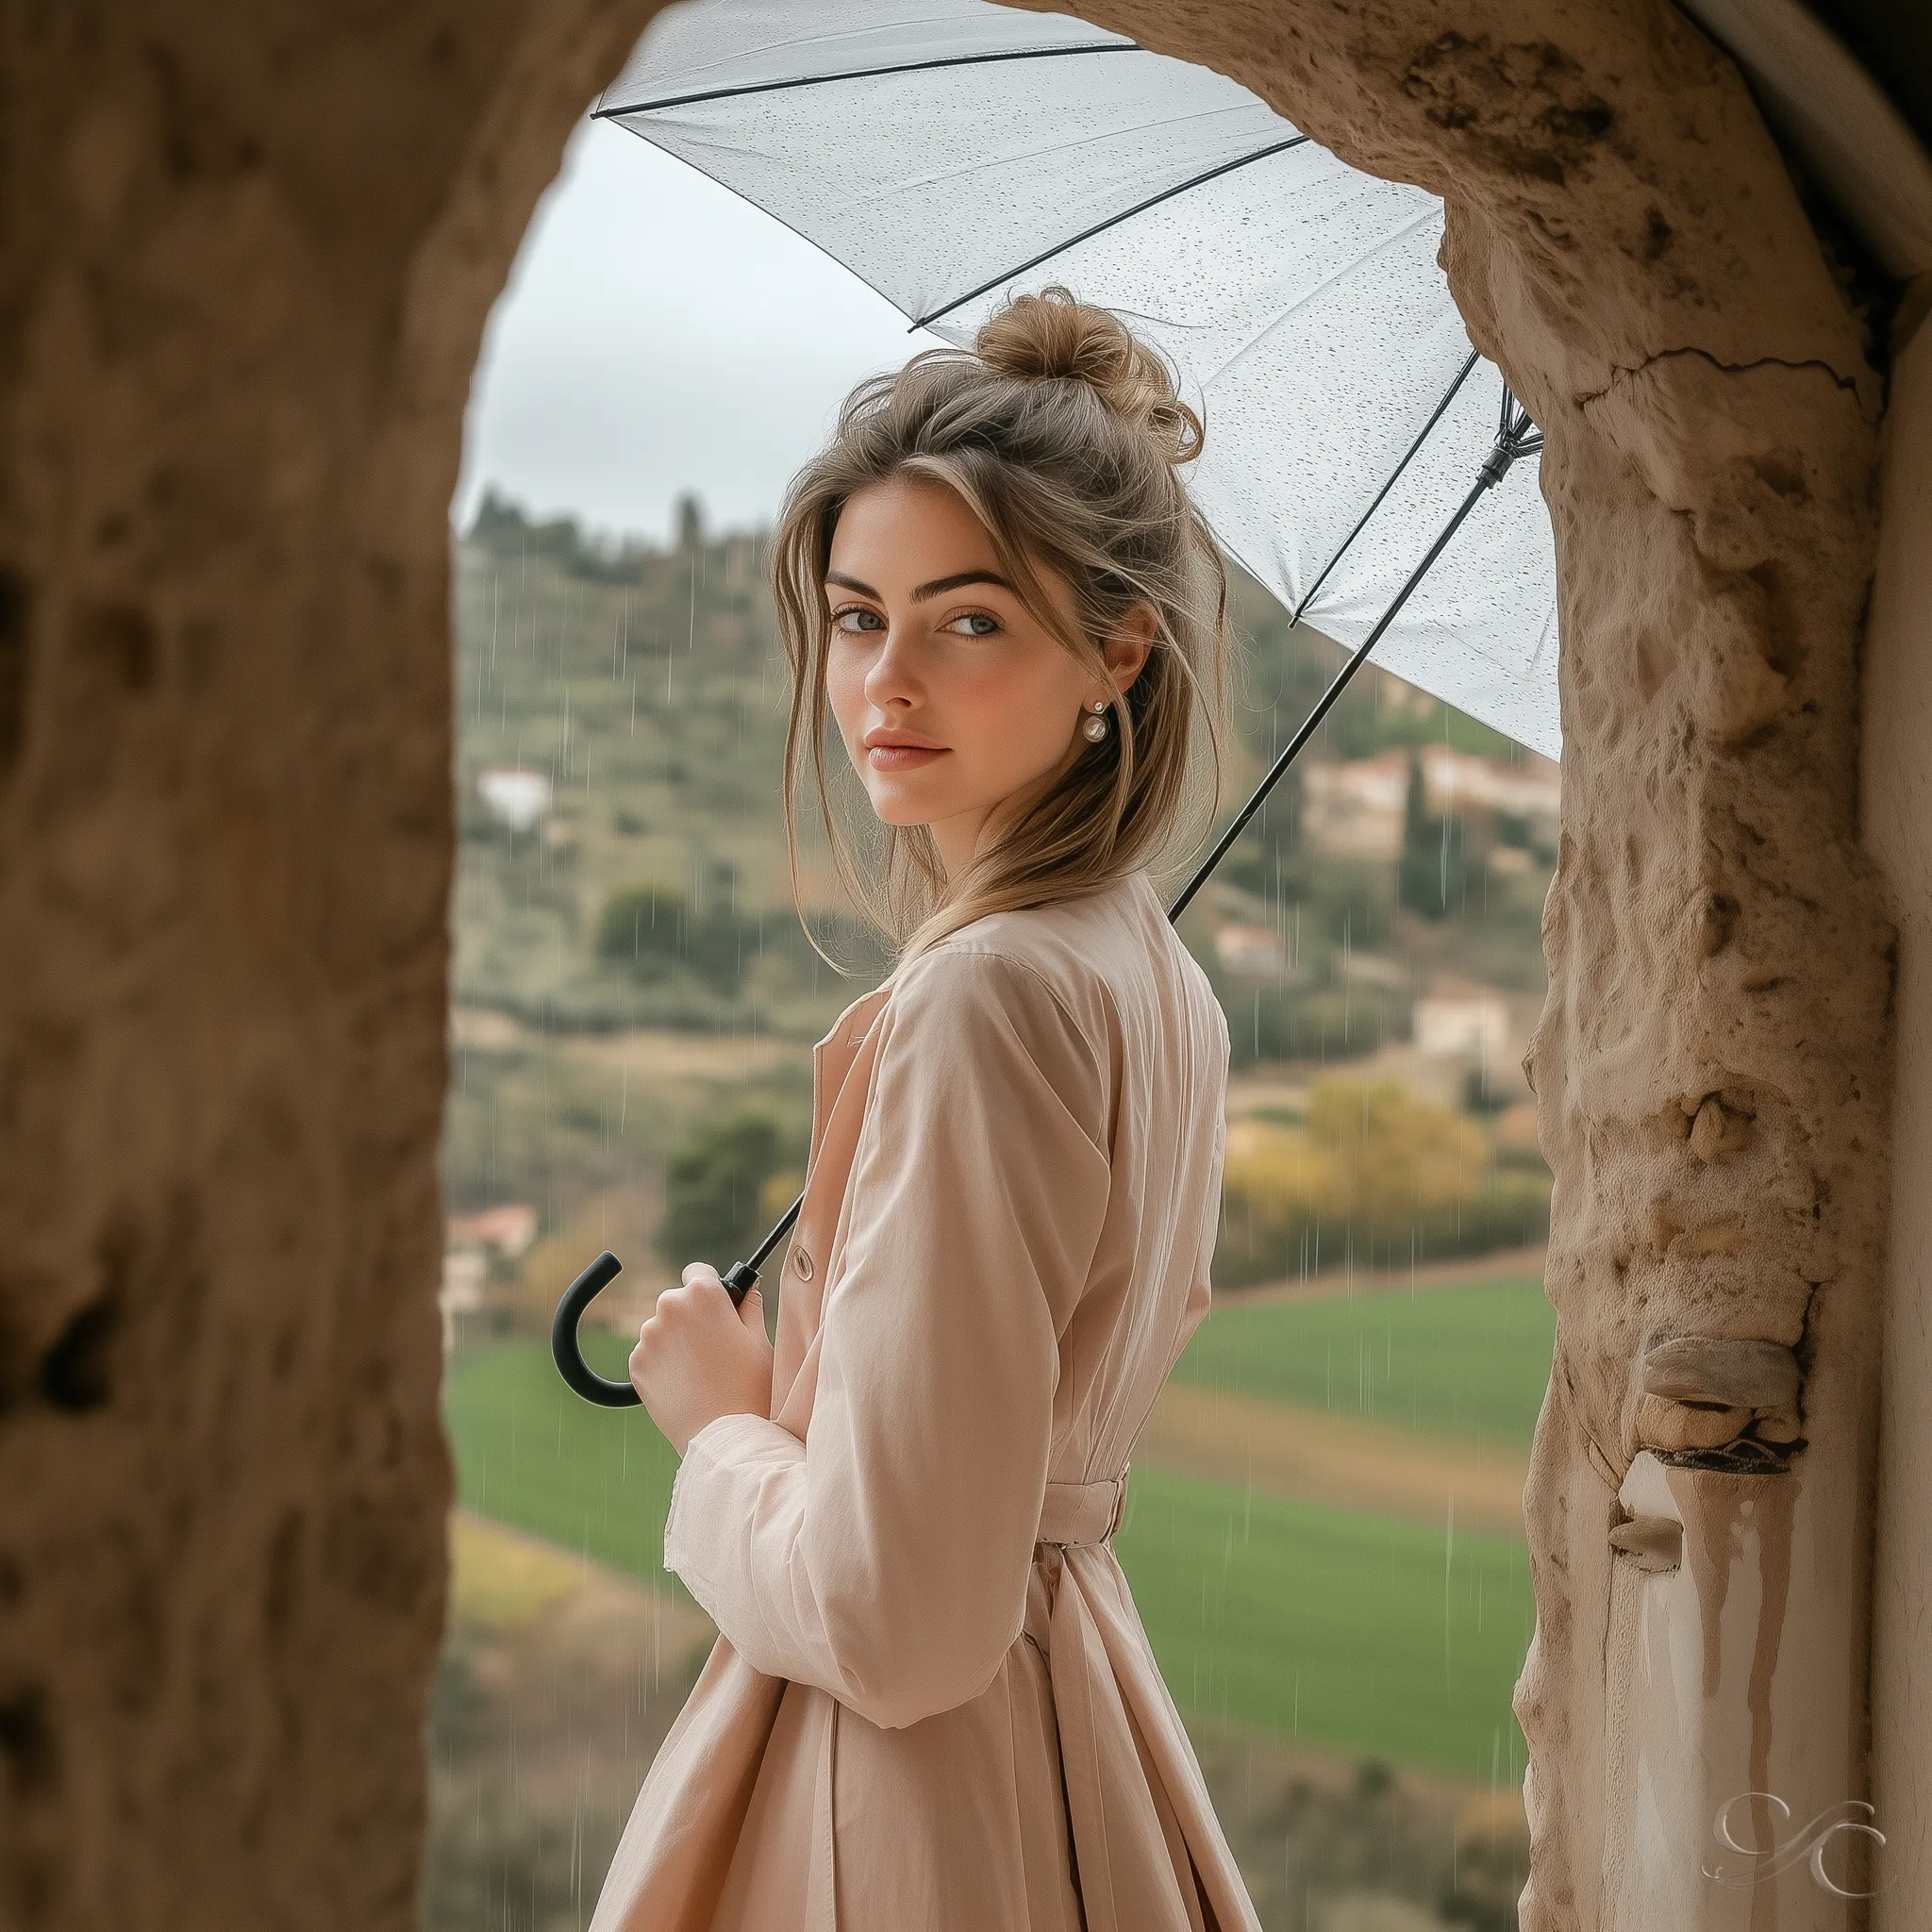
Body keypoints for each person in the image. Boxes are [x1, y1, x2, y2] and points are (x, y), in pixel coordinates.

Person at [591, 287, 1258, 1932]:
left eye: (967, 622)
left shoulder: (993, 994)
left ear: (1119, 650)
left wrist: (728, 1426)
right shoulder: (1150, 974)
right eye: (855, 615)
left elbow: (900, 1619)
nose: (886, 682)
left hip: (916, 1805)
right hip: (1072, 1734)